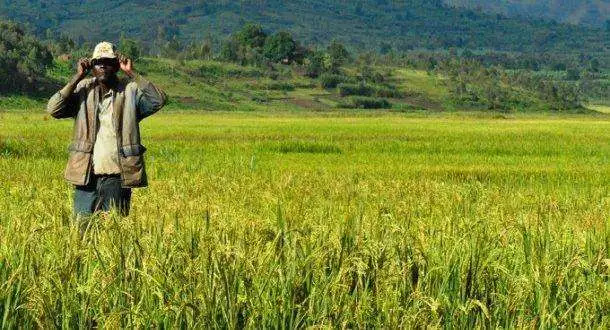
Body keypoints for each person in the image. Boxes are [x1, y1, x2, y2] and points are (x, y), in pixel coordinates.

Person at [46, 41, 167, 219]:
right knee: (82, 232)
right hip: (86, 176)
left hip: (117, 176)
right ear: (92, 67)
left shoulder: (130, 91)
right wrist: (77, 76)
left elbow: (158, 100)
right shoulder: (82, 89)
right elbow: (53, 109)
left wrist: (131, 73)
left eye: (108, 61)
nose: (103, 65)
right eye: (98, 62)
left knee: (114, 232)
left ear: (116, 65)